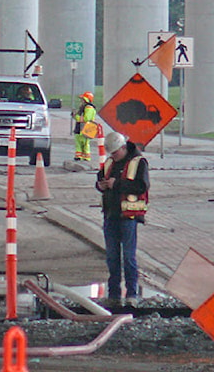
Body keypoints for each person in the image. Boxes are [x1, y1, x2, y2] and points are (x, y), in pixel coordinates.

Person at [95, 131, 149, 307]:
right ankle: (114, 295)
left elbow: (142, 186)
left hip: (128, 216)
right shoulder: (110, 162)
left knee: (128, 257)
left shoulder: (138, 163)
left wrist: (116, 184)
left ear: (124, 148)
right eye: (111, 153)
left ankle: (132, 294)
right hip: (111, 214)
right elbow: (99, 179)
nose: (113, 156)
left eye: (115, 153)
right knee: (112, 257)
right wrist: (101, 185)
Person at [73, 91, 97, 161]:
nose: (81, 101)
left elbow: (86, 118)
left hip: (85, 128)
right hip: (81, 128)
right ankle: (79, 156)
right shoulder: (84, 107)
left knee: (85, 144)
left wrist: (76, 117)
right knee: (79, 143)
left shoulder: (89, 108)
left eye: (82, 99)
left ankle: (86, 157)